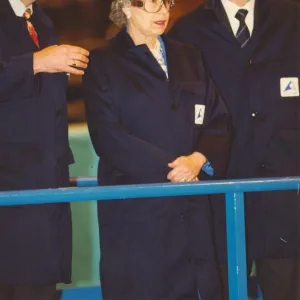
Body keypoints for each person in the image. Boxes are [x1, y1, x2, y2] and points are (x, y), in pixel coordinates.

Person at [83, 0, 232, 299]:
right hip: (138, 209)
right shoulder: (102, 61)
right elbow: (108, 136)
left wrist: (197, 160)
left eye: (167, 4)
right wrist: (175, 169)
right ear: (126, 7)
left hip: (192, 206)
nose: (163, 13)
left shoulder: (189, 55)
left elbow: (218, 120)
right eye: (153, 5)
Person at [168, 0, 300, 299]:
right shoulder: (188, 30)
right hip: (220, 193)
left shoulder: (292, 18)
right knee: (224, 288)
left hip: (285, 194)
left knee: (287, 288)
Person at [0, 1, 89, 299]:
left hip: (47, 173)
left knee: (41, 285)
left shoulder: (40, 19)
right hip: (9, 181)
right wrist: (36, 63)